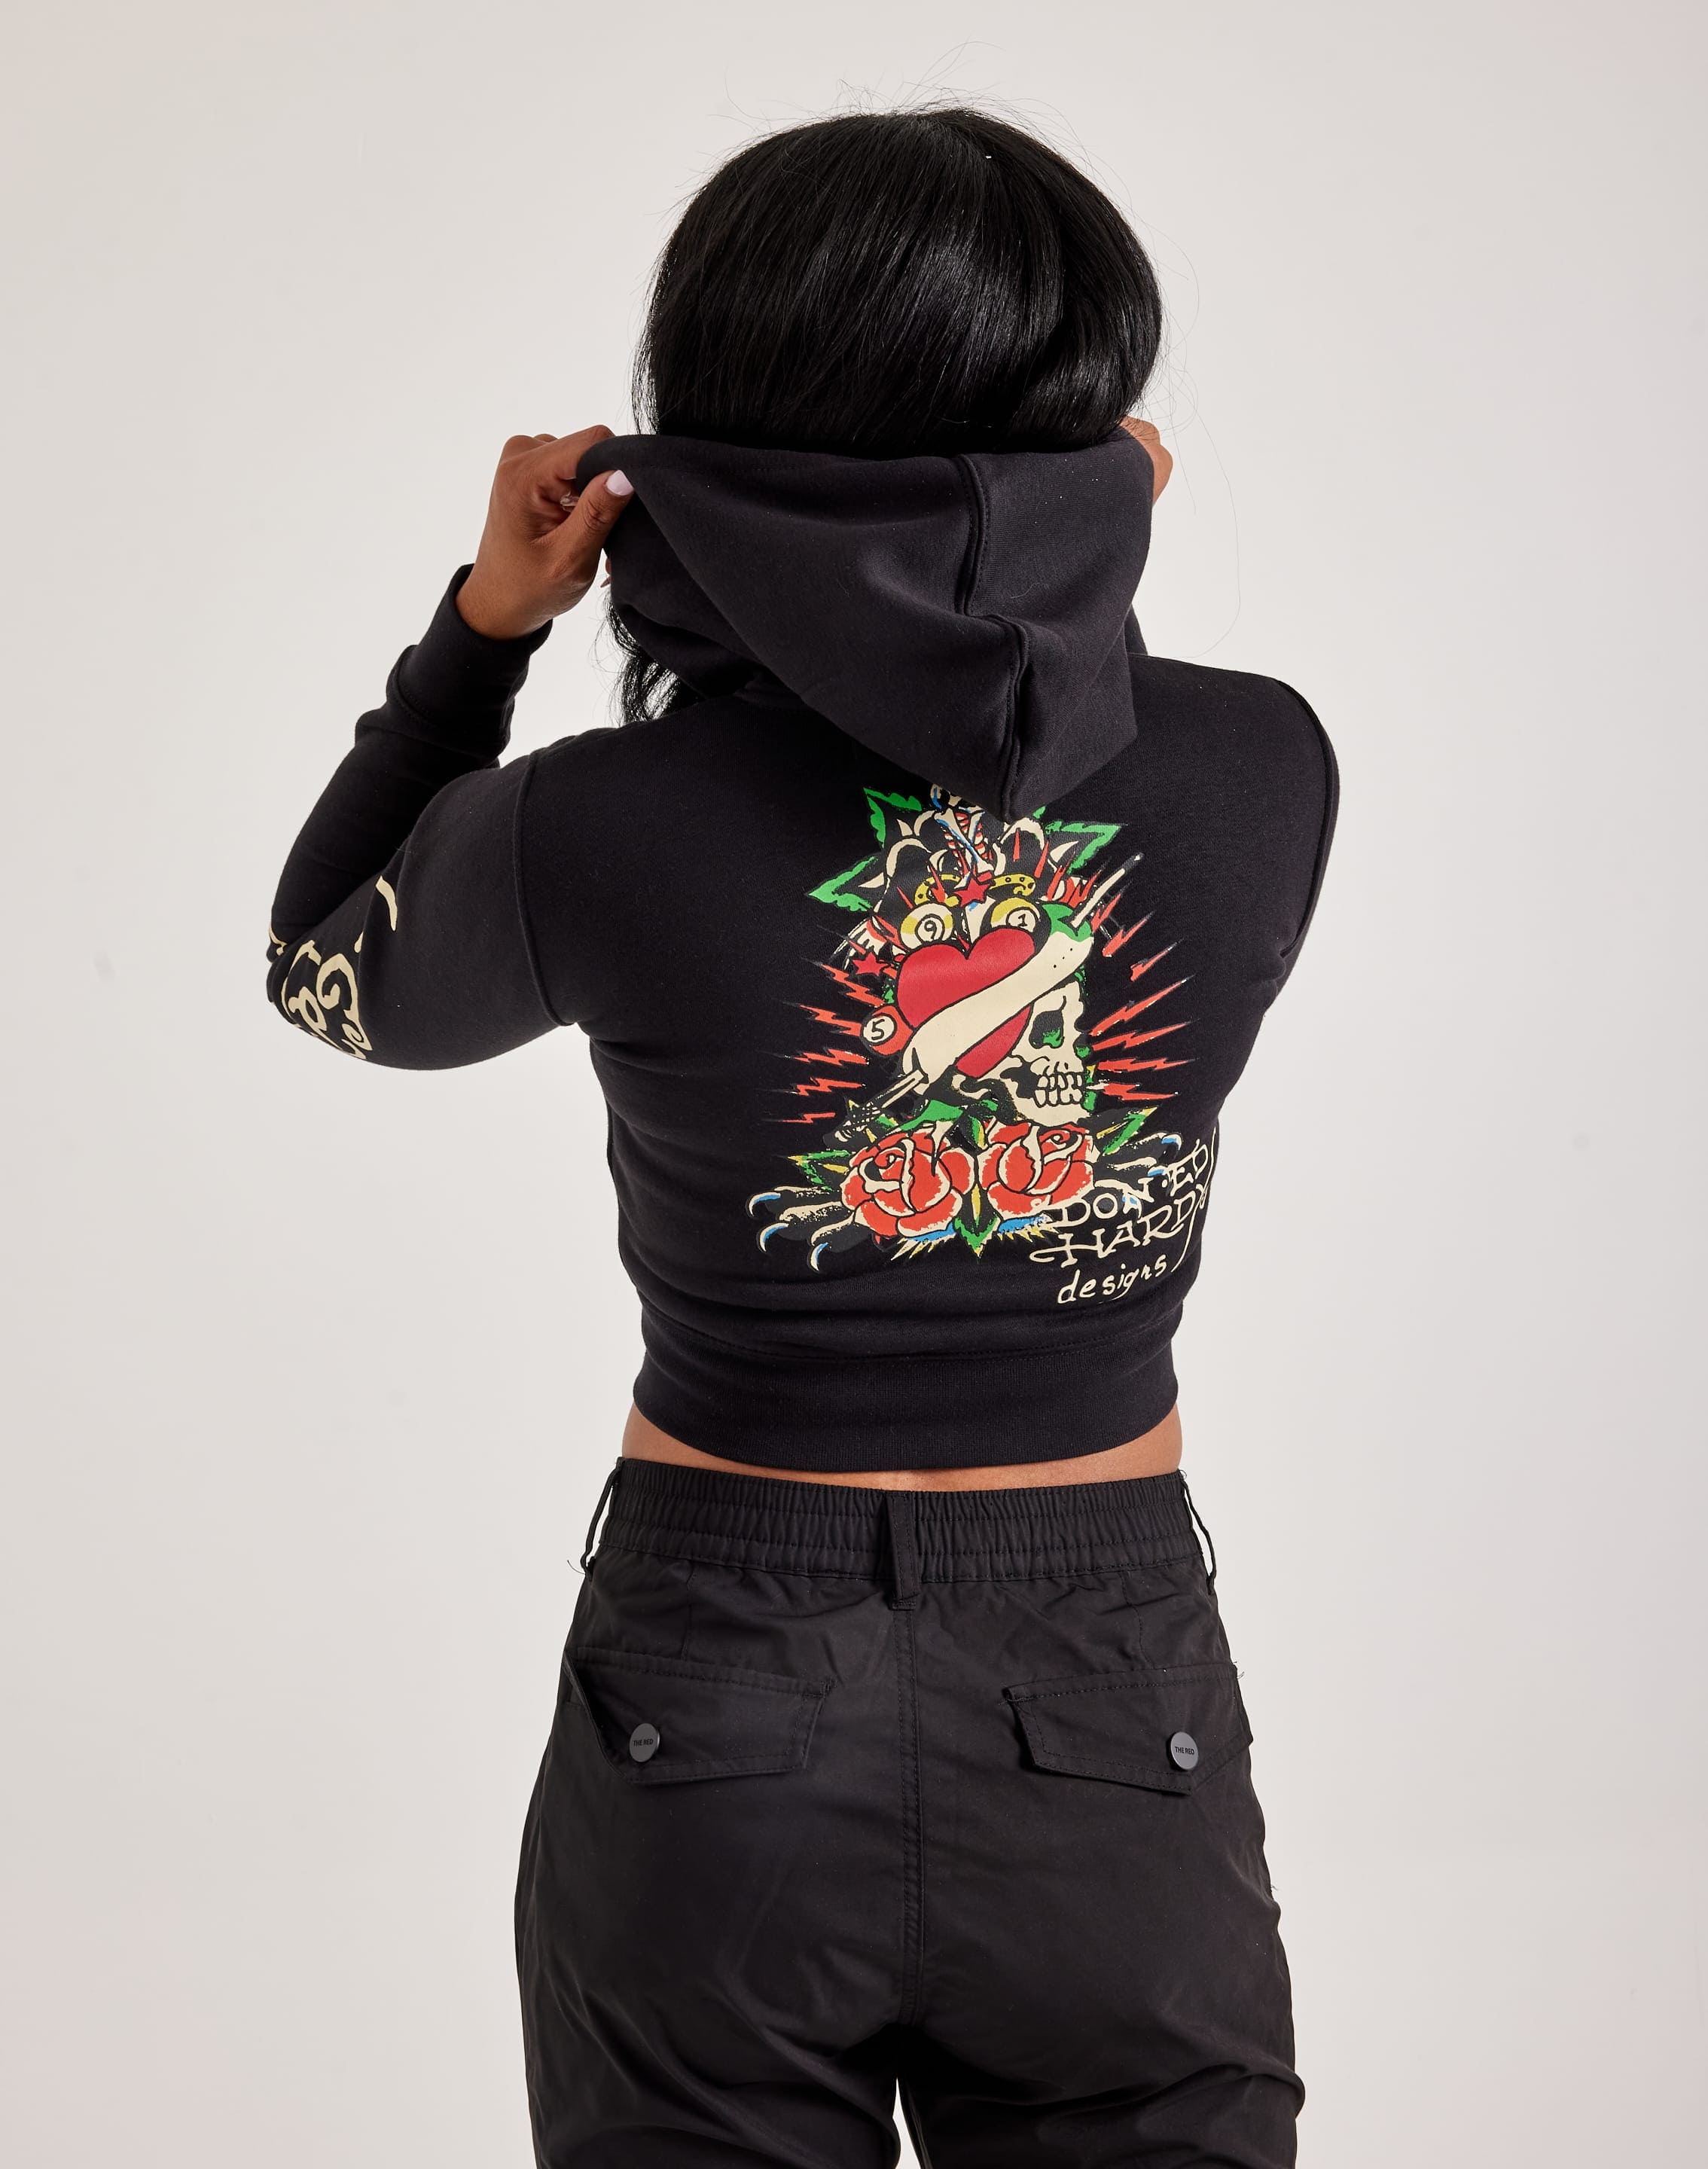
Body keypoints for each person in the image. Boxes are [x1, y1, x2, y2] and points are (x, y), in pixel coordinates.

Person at [266, 105, 1336, 2169]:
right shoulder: (1264, 767)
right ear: (1091, 434)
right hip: (1104, 1677)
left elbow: (325, 960)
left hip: (719, 1676)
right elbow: (1021, 686)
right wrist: (1076, 556)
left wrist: (484, 631)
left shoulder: (598, 828)